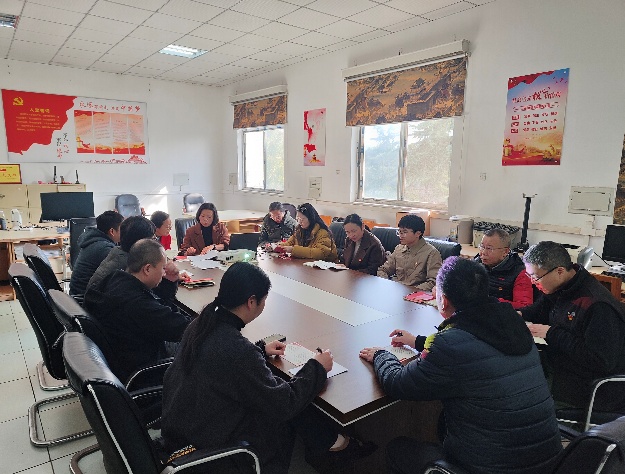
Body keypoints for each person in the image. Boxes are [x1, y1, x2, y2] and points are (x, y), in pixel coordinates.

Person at [161, 262, 374, 473]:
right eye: (264, 300)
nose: (264, 305)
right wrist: (317, 367)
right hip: (213, 451)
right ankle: (331, 448)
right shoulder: (237, 350)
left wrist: (260, 351)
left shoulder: (201, 324)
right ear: (251, 302)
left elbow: (226, 363)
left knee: (277, 386)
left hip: (186, 428)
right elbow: (285, 403)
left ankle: (327, 443)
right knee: (289, 399)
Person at [360, 257, 562, 474]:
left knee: (397, 448)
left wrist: (381, 355)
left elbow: (398, 384)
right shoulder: (513, 323)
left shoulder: (449, 345)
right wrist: (418, 341)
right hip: (548, 461)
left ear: (443, 300)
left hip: (492, 467)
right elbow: (475, 344)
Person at [521, 241, 625, 412]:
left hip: (587, 387)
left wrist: (551, 333)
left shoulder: (597, 305)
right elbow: (540, 310)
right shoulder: (561, 286)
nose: (533, 282)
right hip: (561, 366)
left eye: (536, 277)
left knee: (519, 394)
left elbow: (600, 360)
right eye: (529, 276)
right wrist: (519, 314)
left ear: (559, 271)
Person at [84, 239, 191, 383]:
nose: (163, 272)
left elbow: (159, 311)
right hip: (144, 371)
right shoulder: (138, 304)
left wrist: (169, 282)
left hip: (123, 356)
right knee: (201, 344)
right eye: (163, 268)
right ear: (147, 269)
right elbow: (184, 329)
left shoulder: (114, 279)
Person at [86, 215, 157, 292]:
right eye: (153, 239)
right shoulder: (129, 265)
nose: (155, 243)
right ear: (140, 243)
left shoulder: (119, 252)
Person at [377, 214, 441, 291]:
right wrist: (386, 284)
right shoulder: (399, 248)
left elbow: (433, 282)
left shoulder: (432, 253)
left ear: (418, 233)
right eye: (399, 232)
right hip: (395, 289)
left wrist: (411, 291)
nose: (400, 235)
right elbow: (383, 270)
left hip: (415, 293)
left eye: (404, 232)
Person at [474, 228, 533, 308]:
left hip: (500, 313)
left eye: (489, 248)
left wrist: (490, 301)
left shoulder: (519, 272)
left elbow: (524, 306)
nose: (483, 252)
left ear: (505, 252)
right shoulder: (475, 264)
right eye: (482, 247)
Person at [69, 210, 123, 297]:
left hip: (77, 294)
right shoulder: (104, 248)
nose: (124, 232)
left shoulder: (95, 240)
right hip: (83, 298)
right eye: (122, 229)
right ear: (112, 231)